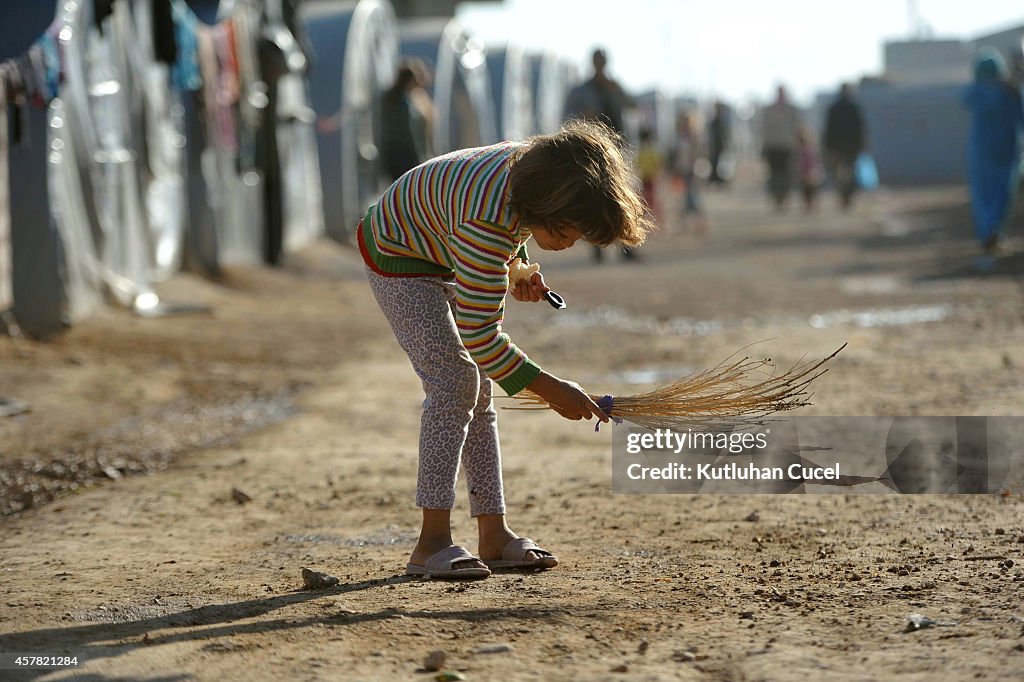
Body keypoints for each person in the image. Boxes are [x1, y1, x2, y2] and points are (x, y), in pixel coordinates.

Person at [358, 120, 655, 579]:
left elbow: (497, 234)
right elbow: (482, 338)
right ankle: (429, 542)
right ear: (548, 205)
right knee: (455, 380)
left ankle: (493, 534)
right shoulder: (486, 225)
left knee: (477, 392)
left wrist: (513, 269)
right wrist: (552, 389)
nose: (571, 244)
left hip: (442, 244)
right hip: (398, 254)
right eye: (569, 232)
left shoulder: (536, 172)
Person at [563, 48, 639, 261]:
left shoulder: (613, 87)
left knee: (621, 200)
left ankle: (626, 246)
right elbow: (567, 118)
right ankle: (597, 247)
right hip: (592, 153)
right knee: (594, 200)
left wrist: (616, 90)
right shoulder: (581, 90)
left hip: (617, 152)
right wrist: (583, 117)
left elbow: (632, 105)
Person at [962, 48, 1024, 269]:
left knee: (982, 195)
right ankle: (995, 230)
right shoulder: (1011, 92)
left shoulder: (977, 92)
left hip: (982, 151)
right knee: (1003, 192)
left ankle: (987, 231)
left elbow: (964, 98)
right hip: (1007, 151)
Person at [380, 59, 435, 182]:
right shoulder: (404, 103)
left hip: (391, 155)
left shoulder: (389, 99)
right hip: (404, 157)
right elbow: (409, 133)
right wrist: (418, 157)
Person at [822, 83, 866, 210]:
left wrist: (828, 146)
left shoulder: (835, 108)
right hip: (850, 146)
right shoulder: (853, 107)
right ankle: (847, 195)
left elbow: (828, 129)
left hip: (838, 146)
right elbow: (860, 128)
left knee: (841, 172)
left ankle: (844, 195)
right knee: (849, 172)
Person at [760, 85, 802, 210]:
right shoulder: (768, 110)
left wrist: (798, 145)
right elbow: (763, 129)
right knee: (774, 174)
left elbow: (797, 128)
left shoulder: (792, 110)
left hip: (787, 147)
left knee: (786, 174)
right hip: (772, 146)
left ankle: (784, 196)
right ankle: (776, 197)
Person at [670, 113, 707, 234]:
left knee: (692, 197)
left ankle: (698, 223)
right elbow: (675, 156)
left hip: (691, 170)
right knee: (684, 197)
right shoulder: (679, 138)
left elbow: (698, 154)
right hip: (682, 170)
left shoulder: (693, 139)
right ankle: (687, 224)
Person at [635, 127, 663, 219]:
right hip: (645, 176)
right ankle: (647, 210)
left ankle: (652, 210)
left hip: (651, 176)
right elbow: (638, 164)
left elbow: (657, 163)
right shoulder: (643, 151)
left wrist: (657, 172)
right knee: (645, 194)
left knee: (651, 194)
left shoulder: (651, 151)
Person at [798, 126, 824, 211]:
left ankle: (810, 205)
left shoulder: (807, 151)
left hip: (809, 173)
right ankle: (810, 205)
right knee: (809, 191)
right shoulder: (808, 150)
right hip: (809, 173)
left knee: (809, 191)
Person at [707, 100, 731, 186]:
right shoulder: (715, 121)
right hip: (715, 146)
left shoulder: (719, 120)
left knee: (717, 163)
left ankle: (716, 177)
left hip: (718, 146)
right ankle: (714, 178)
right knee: (714, 162)